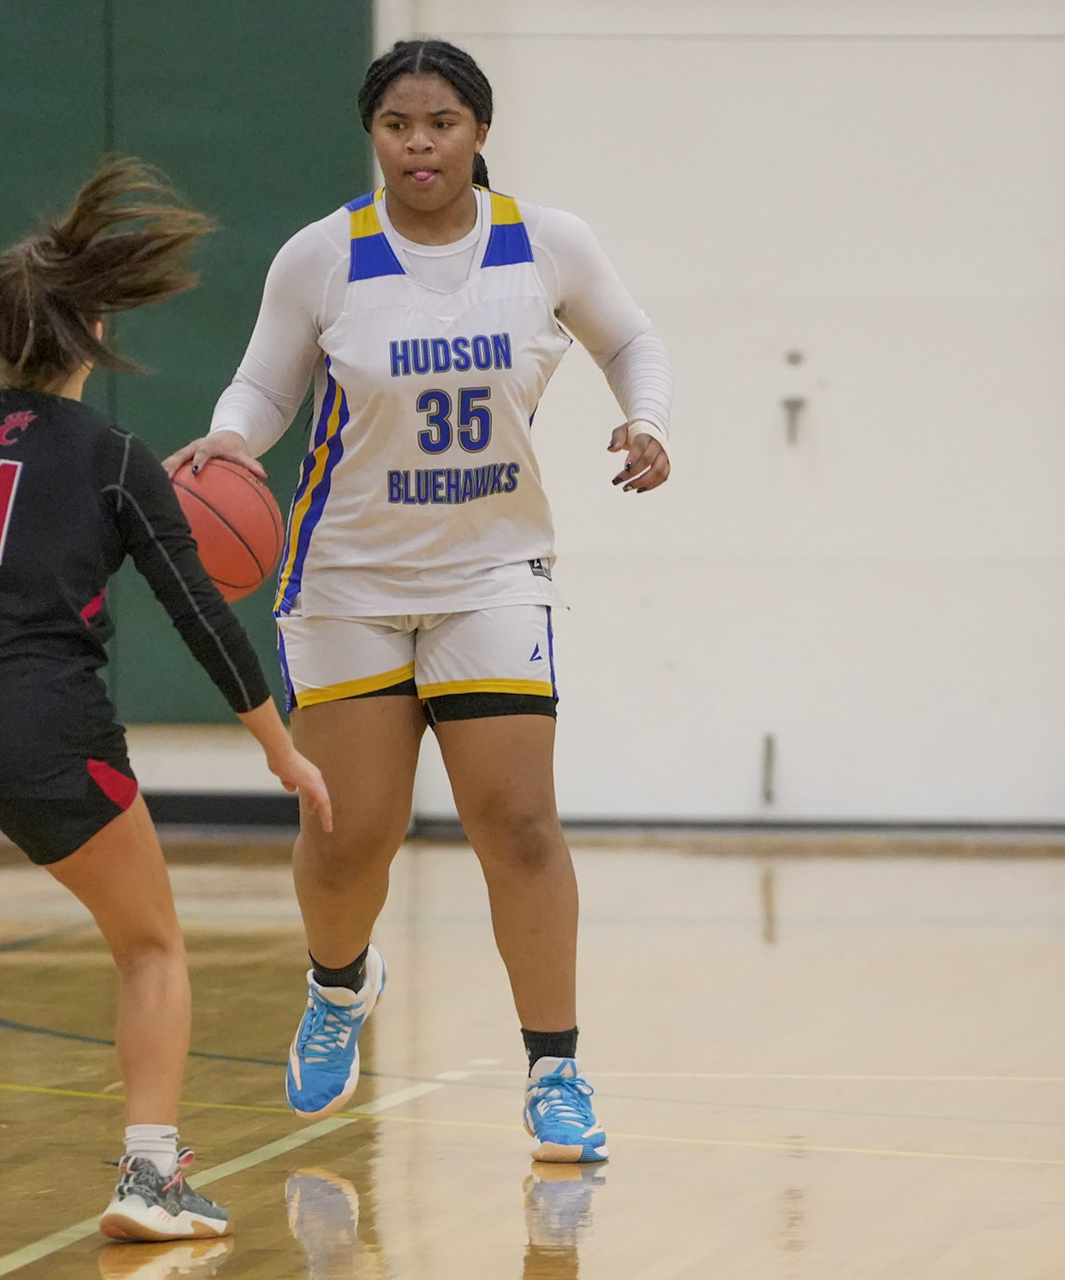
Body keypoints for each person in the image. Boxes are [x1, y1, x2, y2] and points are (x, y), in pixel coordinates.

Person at [166, 39, 672, 1163]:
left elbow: (633, 339)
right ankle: (339, 985)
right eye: (398, 125)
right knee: (352, 837)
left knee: (519, 824)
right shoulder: (324, 257)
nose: (419, 144)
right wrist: (232, 439)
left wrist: (647, 419)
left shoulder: (545, 244)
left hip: (491, 572)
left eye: (442, 122)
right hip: (348, 577)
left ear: (479, 131)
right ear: (374, 135)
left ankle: (555, 1071)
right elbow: (264, 387)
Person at [0, 157, 332, 1240]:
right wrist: (279, 748)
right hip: (41, 724)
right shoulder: (115, 459)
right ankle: (150, 1177)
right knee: (150, 944)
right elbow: (201, 615)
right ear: (93, 331)